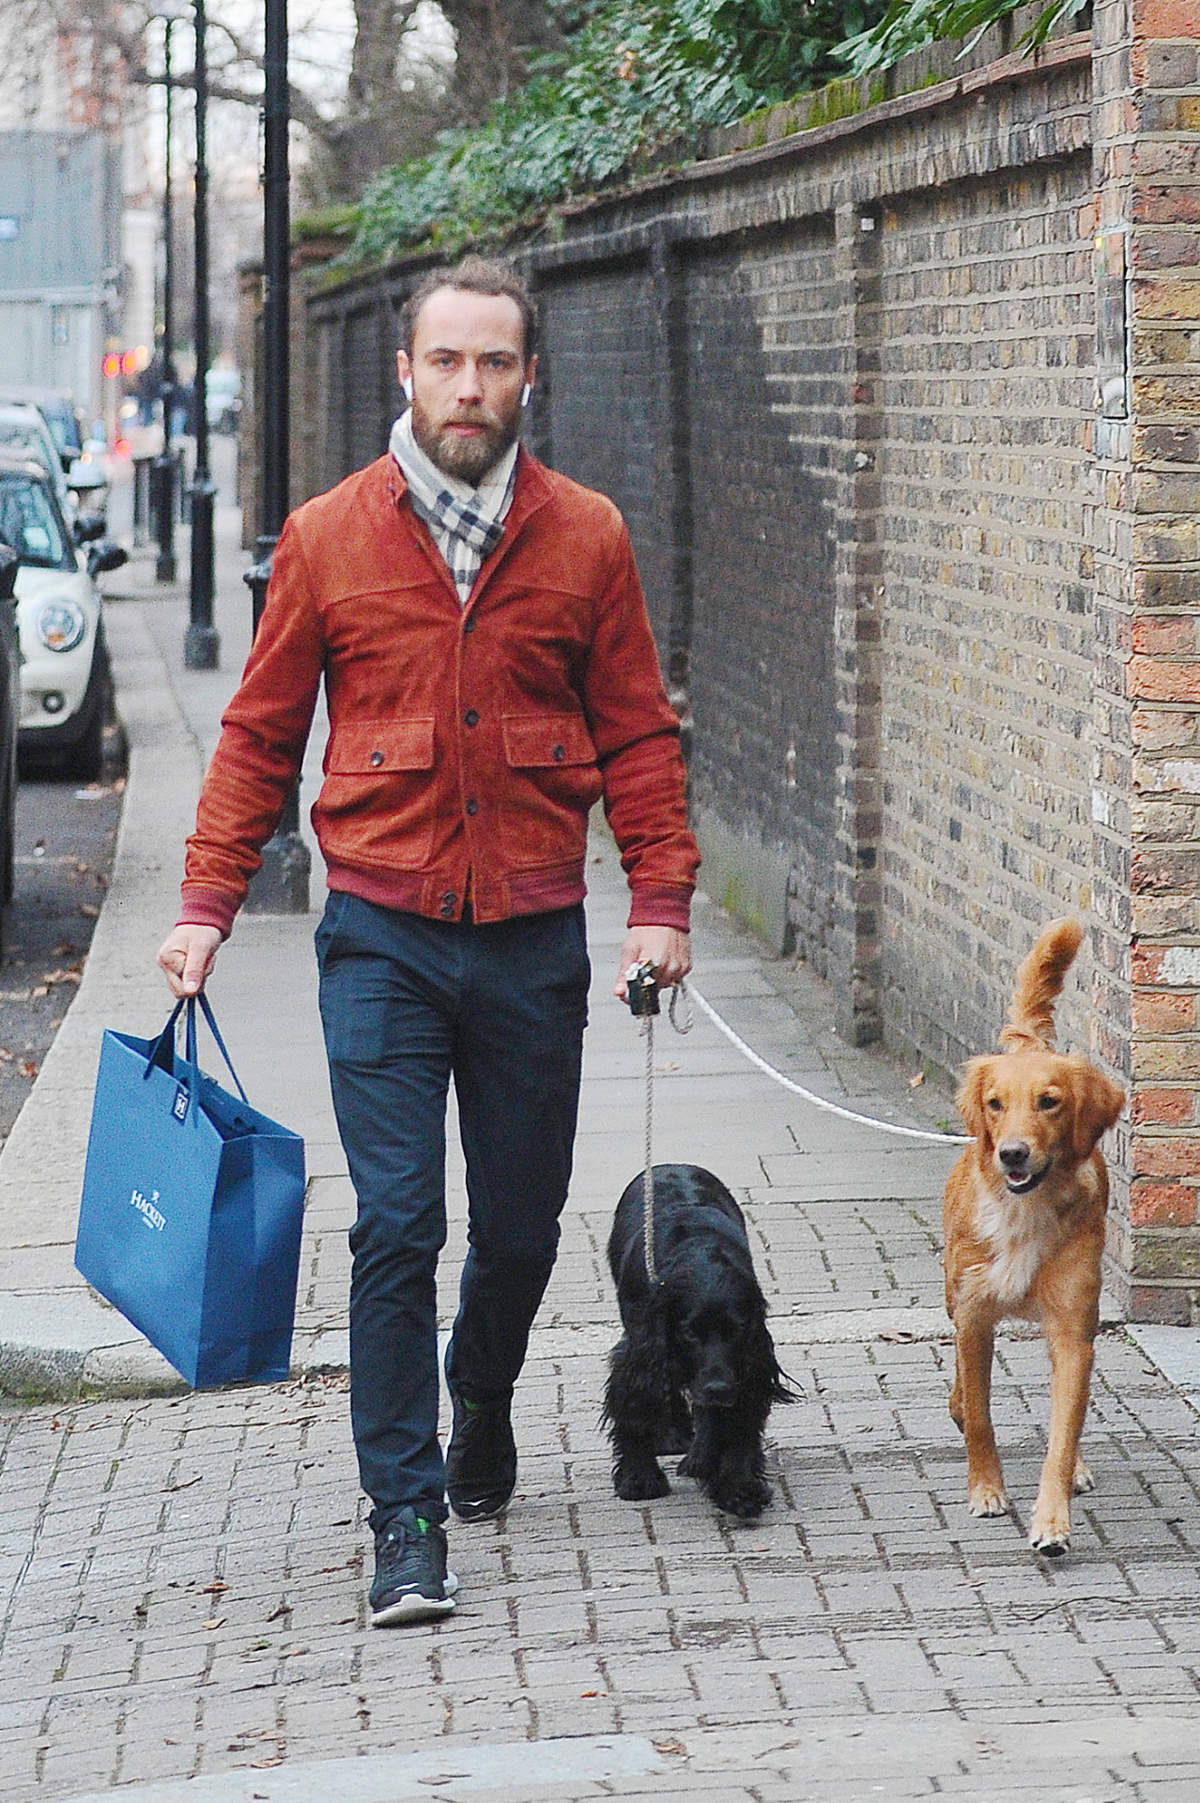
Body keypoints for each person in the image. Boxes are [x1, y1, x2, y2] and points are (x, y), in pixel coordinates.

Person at [157, 255, 699, 1627]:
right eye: (447, 361)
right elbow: (261, 736)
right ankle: (405, 1517)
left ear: (530, 379)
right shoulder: (331, 536)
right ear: (405, 372)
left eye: (495, 363)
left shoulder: (587, 538)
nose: (469, 386)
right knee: (399, 1222)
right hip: (384, 940)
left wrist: (660, 901)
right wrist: (204, 905)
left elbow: (636, 729)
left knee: (517, 1233)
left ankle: (486, 1389)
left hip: (532, 944)